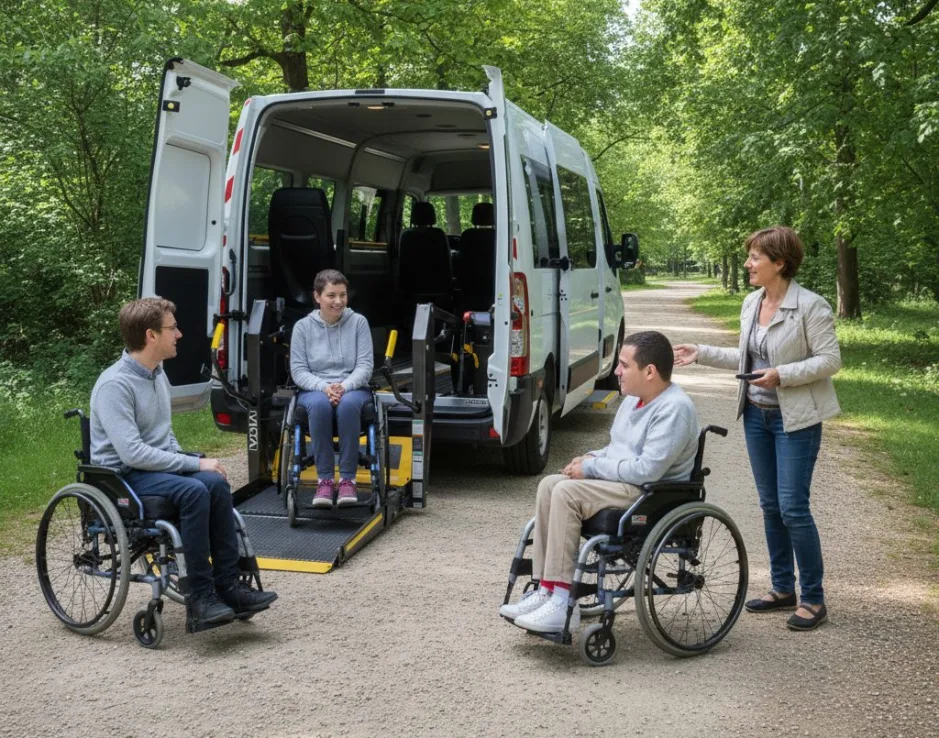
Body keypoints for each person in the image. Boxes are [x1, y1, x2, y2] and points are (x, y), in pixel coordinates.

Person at [673, 226, 841, 631]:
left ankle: (813, 598)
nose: (748, 264)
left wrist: (781, 375)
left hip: (794, 420)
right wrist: (702, 353)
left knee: (793, 508)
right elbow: (745, 355)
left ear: (779, 263)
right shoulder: (752, 302)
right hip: (756, 416)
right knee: (770, 507)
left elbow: (829, 360)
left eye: (754, 258)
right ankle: (783, 588)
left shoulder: (811, 307)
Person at [90, 297, 278, 627]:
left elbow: (164, 436)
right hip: (123, 475)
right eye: (172, 328)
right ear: (151, 335)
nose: (178, 334)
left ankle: (229, 586)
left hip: (154, 468)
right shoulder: (115, 385)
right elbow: (132, 453)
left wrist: (190, 460)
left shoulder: (156, 374)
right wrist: (191, 465)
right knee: (194, 490)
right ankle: (200, 597)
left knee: (217, 482)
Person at [500, 331, 700, 633]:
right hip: (625, 483)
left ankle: (562, 598)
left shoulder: (674, 409)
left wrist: (593, 468)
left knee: (566, 493)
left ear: (649, 372)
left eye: (623, 365)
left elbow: (647, 470)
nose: (616, 371)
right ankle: (546, 588)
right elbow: (616, 449)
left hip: (648, 492)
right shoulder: (635, 400)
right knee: (549, 486)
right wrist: (587, 458)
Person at [290, 269, 374, 508]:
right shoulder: (302, 328)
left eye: (343, 295)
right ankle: (325, 480)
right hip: (314, 388)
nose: (338, 301)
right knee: (318, 404)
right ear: (317, 297)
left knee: (348, 405)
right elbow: (298, 371)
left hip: (353, 386)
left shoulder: (358, 323)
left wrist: (343, 386)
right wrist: (324, 387)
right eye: (331, 295)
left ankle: (348, 479)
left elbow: (365, 366)